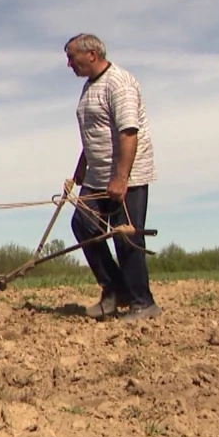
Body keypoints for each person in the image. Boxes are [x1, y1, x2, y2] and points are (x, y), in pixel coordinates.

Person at [64, 33, 161, 321]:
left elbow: (128, 131)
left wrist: (121, 178)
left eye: (72, 57)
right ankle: (114, 289)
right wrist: (81, 169)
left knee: (125, 237)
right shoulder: (89, 87)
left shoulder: (120, 83)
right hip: (97, 175)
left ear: (91, 54)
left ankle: (143, 303)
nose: (69, 64)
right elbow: (93, 134)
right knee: (83, 225)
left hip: (125, 175)